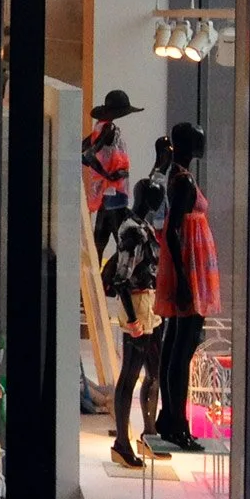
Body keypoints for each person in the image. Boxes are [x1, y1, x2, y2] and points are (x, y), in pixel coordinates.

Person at [150, 122, 220, 453]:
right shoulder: (182, 181)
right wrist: (183, 279)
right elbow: (176, 230)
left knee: (177, 344)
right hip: (189, 271)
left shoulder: (180, 177)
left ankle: (171, 419)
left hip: (189, 269)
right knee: (182, 347)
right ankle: (177, 423)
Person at [102, 179, 163, 468]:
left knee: (153, 371)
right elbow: (121, 280)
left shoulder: (142, 228)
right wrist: (133, 319)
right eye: (154, 195)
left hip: (149, 302)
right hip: (138, 304)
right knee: (129, 375)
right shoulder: (133, 232)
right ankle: (122, 443)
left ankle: (148, 433)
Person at [82, 89, 141, 256]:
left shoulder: (99, 127)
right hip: (114, 190)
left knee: (101, 239)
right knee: (121, 236)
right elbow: (88, 155)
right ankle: (118, 276)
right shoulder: (108, 129)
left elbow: (84, 154)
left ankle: (99, 277)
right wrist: (108, 175)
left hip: (107, 191)